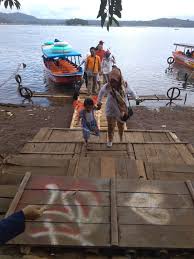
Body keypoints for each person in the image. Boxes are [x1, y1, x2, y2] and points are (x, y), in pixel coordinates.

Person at [97, 66, 139, 147]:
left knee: (121, 126)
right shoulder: (107, 86)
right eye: (111, 81)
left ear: (119, 79)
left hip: (122, 111)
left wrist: (136, 98)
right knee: (110, 126)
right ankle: (110, 140)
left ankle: (121, 137)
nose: (113, 83)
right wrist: (99, 102)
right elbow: (101, 92)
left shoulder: (125, 86)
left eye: (115, 81)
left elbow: (132, 92)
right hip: (111, 110)